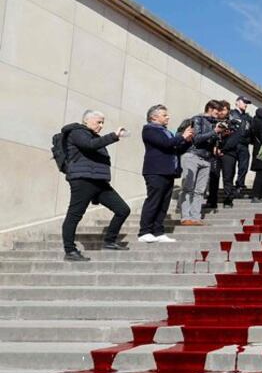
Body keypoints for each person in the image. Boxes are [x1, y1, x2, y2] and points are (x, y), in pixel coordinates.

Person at [59, 111, 131, 261]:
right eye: (99, 122)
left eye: (102, 122)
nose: (101, 126)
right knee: (75, 214)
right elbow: (90, 146)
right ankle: (70, 251)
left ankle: (109, 241)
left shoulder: (94, 137)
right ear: (87, 120)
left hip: (99, 182)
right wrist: (113, 136)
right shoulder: (77, 132)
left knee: (123, 210)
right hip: (83, 180)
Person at [139, 105, 194, 243]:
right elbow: (166, 144)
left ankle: (158, 232)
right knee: (154, 201)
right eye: (164, 115)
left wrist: (187, 141)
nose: (168, 117)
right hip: (155, 171)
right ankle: (144, 231)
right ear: (154, 117)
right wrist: (182, 136)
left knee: (164, 203)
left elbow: (176, 148)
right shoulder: (149, 129)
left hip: (168, 171)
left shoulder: (166, 131)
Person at [178, 100, 226, 226]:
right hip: (192, 156)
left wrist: (221, 135)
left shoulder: (214, 123)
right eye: (218, 111)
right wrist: (214, 131)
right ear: (210, 108)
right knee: (188, 188)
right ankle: (185, 217)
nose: (220, 113)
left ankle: (195, 217)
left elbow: (212, 141)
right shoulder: (197, 119)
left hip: (206, 159)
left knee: (200, 191)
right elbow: (197, 139)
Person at [228, 96, 253, 193]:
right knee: (231, 167)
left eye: (247, 103)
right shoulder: (231, 114)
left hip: (244, 144)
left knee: (243, 166)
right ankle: (229, 186)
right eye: (244, 102)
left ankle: (240, 184)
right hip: (232, 144)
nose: (246, 105)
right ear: (237, 102)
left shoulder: (248, 117)